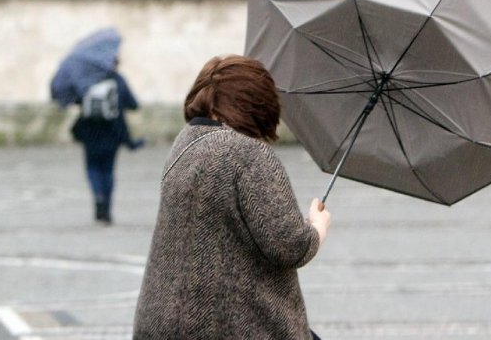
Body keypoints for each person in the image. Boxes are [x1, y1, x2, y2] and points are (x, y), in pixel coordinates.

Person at [133, 55, 331, 339]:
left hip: (163, 323)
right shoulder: (246, 155)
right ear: (256, 104)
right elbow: (289, 245)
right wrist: (317, 227)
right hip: (230, 326)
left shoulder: (184, 143)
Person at [71, 58, 144, 225]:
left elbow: (76, 100)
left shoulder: (87, 80)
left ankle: (98, 196)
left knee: (92, 168)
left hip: (90, 133)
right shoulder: (118, 80)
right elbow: (133, 104)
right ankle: (107, 211)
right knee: (108, 171)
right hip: (112, 133)